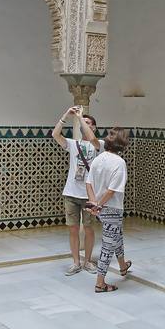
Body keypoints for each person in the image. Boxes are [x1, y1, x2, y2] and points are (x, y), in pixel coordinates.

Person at [53, 106, 102, 276]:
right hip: (71, 194)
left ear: (94, 127)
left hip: (89, 195)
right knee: (73, 229)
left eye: (89, 123)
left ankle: (88, 261)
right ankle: (76, 262)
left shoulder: (99, 145)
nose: (84, 125)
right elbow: (55, 135)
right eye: (83, 122)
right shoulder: (73, 144)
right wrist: (67, 114)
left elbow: (93, 139)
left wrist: (81, 117)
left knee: (88, 228)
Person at [85, 127, 132, 292]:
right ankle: (100, 283)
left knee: (116, 236)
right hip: (112, 208)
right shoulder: (119, 163)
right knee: (108, 246)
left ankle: (122, 265)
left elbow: (88, 183)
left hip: (99, 208)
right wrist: (98, 204)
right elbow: (112, 190)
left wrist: (93, 203)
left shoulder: (98, 159)